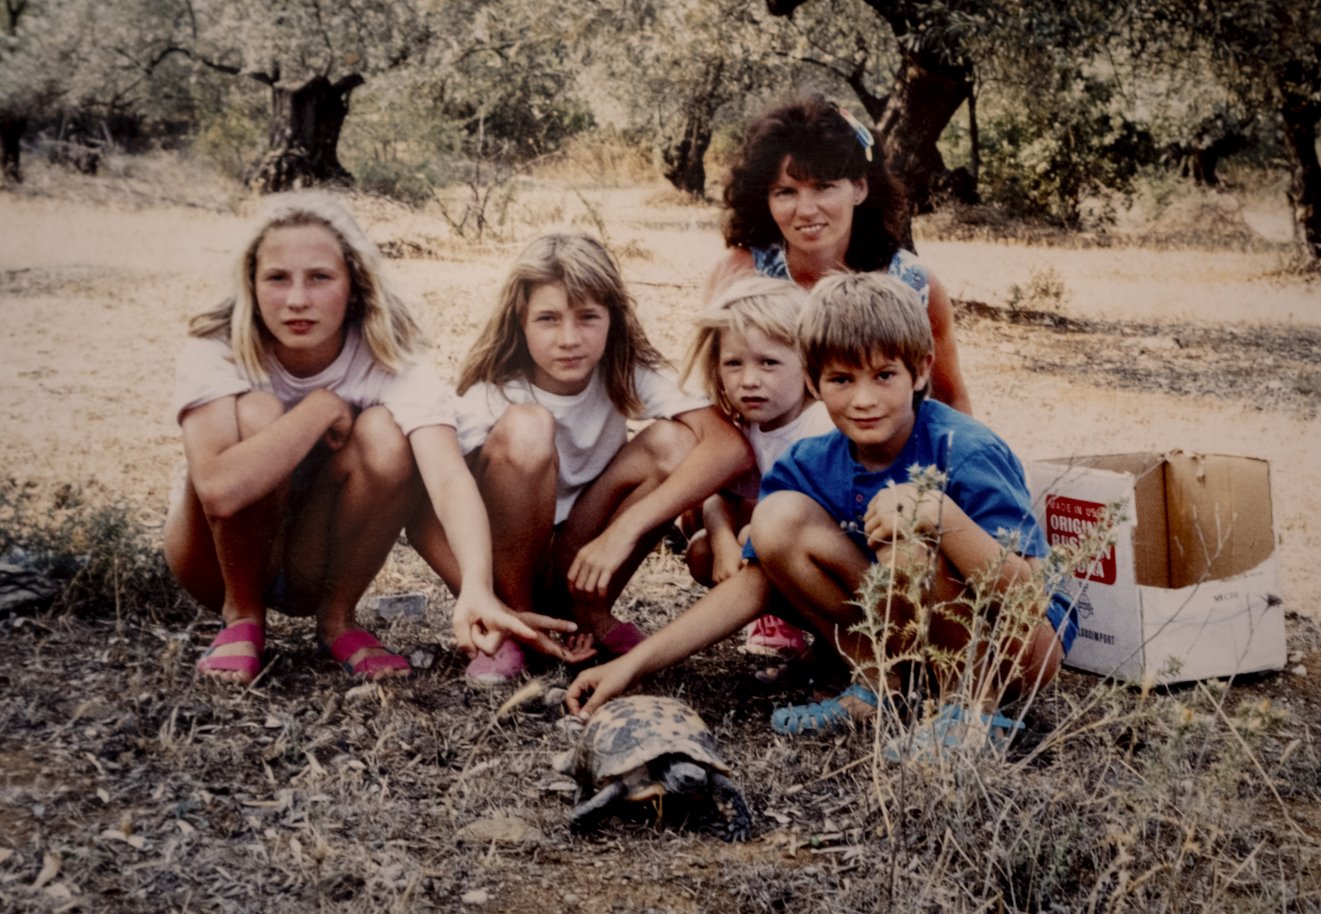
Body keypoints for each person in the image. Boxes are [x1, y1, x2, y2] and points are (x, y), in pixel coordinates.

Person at [568, 273, 1075, 747]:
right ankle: (877, 685)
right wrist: (632, 666)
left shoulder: (964, 449)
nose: (863, 400)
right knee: (776, 518)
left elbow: (1029, 600)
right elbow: (753, 584)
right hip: (913, 640)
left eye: (884, 375)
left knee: (908, 552)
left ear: (920, 371)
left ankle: (970, 713)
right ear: (813, 381)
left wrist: (944, 518)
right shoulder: (810, 460)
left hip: (1017, 652)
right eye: (841, 379)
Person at [165, 193, 578, 686]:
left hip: (309, 565)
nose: (298, 299)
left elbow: (446, 478)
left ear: (354, 285)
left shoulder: (389, 357)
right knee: (258, 411)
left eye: (320, 277)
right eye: (277, 278)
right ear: (251, 286)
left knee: (388, 433)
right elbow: (217, 490)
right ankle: (243, 617)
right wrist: (321, 407)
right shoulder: (217, 346)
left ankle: (338, 619)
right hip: (214, 561)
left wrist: (476, 587)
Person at [411, 233, 752, 686]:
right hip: (512, 565)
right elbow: (419, 516)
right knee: (529, 428)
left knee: (676, 441)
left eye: (588, 317)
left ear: (613, 317)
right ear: (520, 320)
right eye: (548, 319)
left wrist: (625, 530)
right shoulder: (491, 392)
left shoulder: (626, 368)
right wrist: (487, 600)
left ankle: (587, 612)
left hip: (582, 555)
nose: (569, 339)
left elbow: (729, 446)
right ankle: (517, 625)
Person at [706, 91, 972, 416]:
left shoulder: (913, 283)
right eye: (786, 192)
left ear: (859, 188)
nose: (805, 210)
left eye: (823, 187)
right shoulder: (740, 272)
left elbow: (951, 399)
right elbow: (709, 394)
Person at [677, 275, 832, 660]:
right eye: (733, 363)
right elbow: (721, 496)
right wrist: (723, 542)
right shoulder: (749, 428)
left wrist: (745, 537)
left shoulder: (822, 426)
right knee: (702, 550)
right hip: (779, 553)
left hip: (839, 568)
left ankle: (838, 649)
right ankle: (781, 620)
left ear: (808, 363)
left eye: (769, 362)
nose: (749, 381)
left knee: (753, 529)